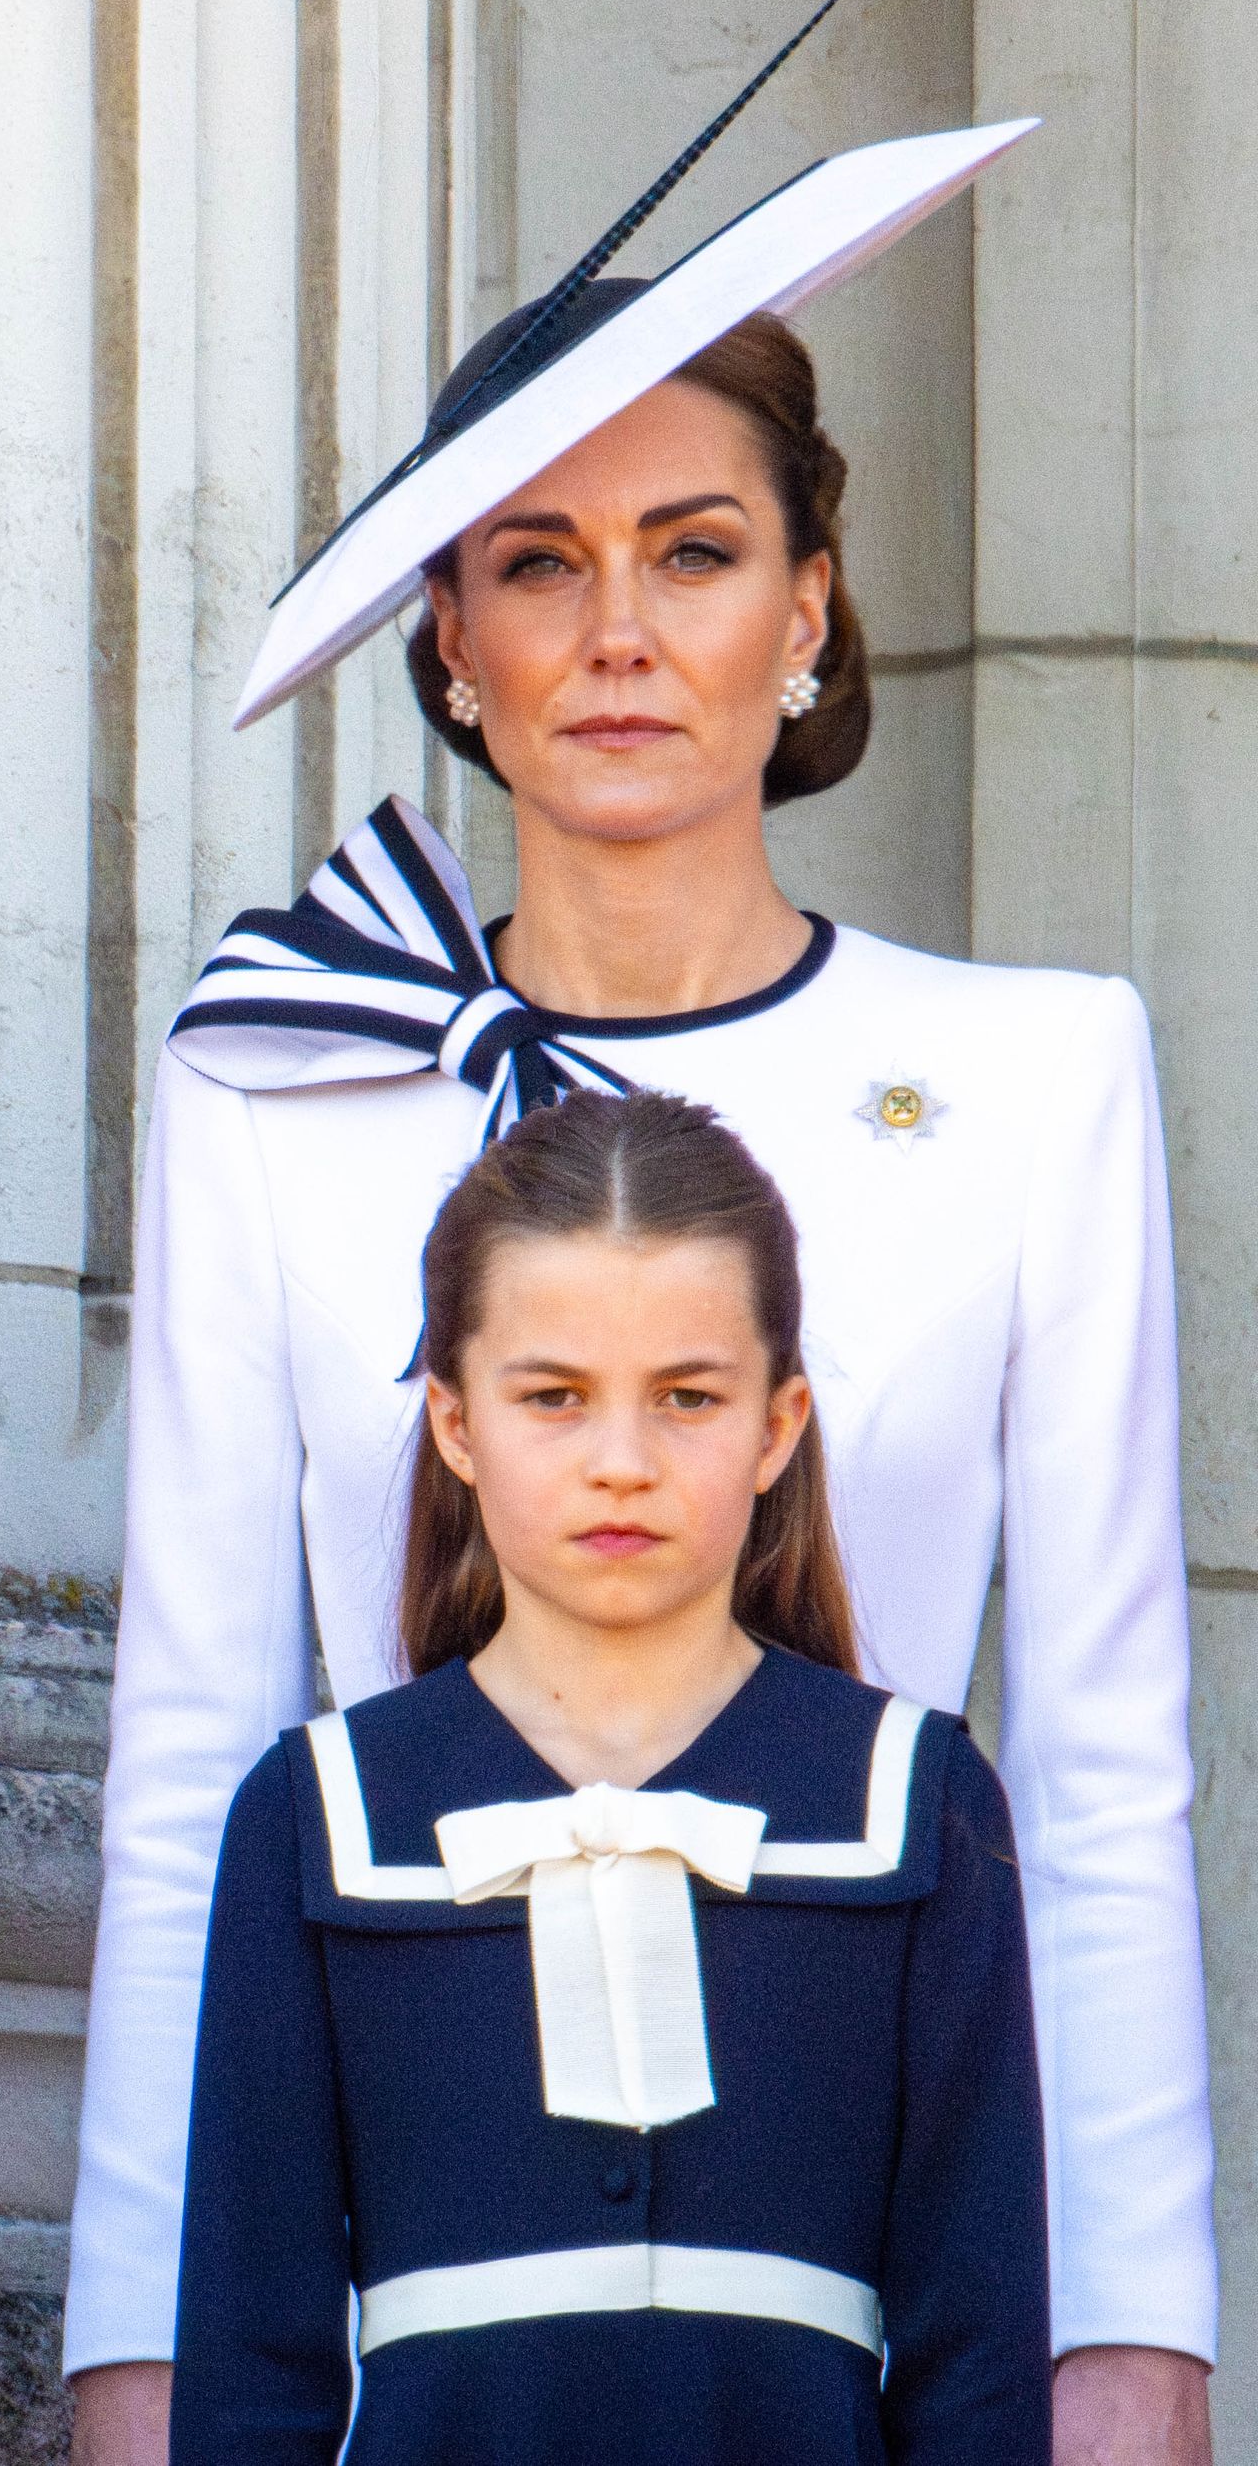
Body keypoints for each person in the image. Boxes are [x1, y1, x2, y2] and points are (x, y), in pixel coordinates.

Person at [69, 129, 1213, 2460]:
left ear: (803, 611)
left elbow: (1103, 1780)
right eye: (534, 561)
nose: (614, 631)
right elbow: (187, 1759)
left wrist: (1128, 2335)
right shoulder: (277, 1081)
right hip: (418, 2268)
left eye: (691, 553)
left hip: (868, 2222)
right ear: (445, 639)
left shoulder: (1031, 1076)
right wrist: (135, 2349)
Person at [172, 1091, 1046, 2465]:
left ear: (778, 1424)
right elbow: (249, 2368)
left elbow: (977, 2366)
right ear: (456, 1422)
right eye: (553, 1398)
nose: (622, 1463)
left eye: (688, 1398)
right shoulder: (319, 1812)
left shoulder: (913, 1798)